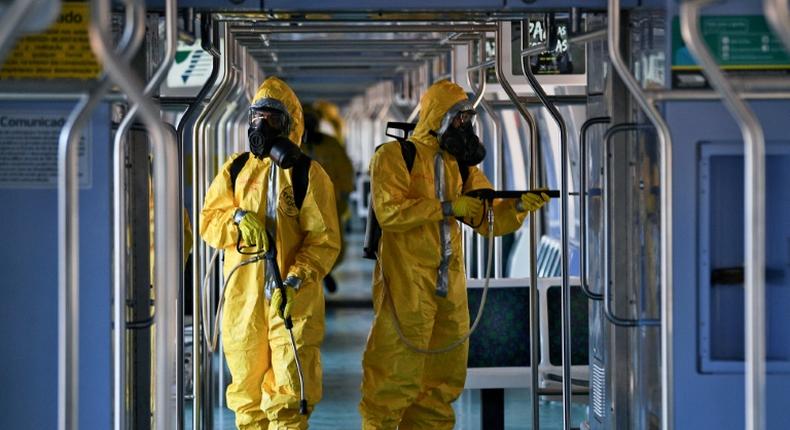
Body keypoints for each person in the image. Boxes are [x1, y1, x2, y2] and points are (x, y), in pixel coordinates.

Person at [359, 79, 550, 429]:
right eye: (459, 119)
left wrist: (519, 205)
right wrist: (447, 207)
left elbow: (487, 217)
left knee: (440, 390)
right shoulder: (394, 157)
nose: (466, 126)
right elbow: (391, 212)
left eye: (468, 120)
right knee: (391, 384)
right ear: (438, 119)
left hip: (449, 293)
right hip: (405, 289)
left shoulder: (461, 167)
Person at [200, 76, 341, 430]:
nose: (262, 126)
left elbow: (323, 241)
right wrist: (236, 219)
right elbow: (208, 221)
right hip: (243, 302)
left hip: (290, 300)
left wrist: (295, 280)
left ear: (290, 126)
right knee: (247, 403)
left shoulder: (308, 174)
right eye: (257, 117)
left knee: (289, 399)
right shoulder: (235, 170)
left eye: (272, 119)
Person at [301, 105, 354, 293]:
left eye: (312, 122)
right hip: (301, 208)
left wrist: (345, 197)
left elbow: (345, 170)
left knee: (333, 243)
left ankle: (325, 271)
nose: (308, 127)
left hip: (331, 205)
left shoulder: (331, 145)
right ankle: (309, 277)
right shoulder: (292, 146)